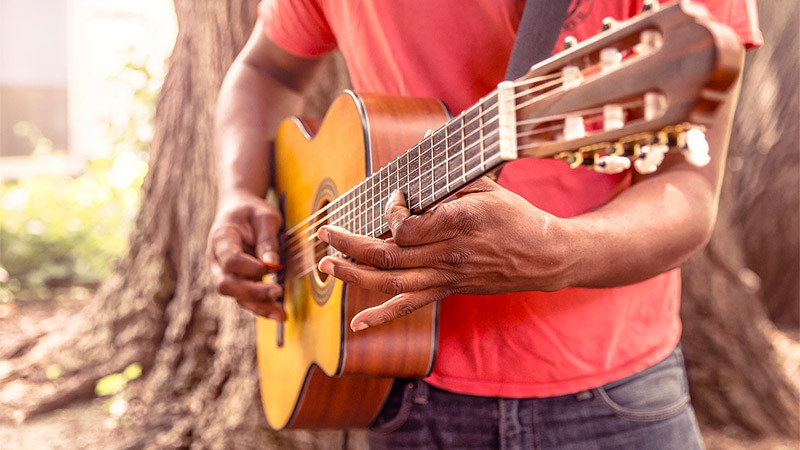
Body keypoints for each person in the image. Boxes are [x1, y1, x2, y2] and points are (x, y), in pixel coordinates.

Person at [207, 1, 762, 448]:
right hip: (394, 383)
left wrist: (561, 251)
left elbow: (689, 190)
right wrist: (238, 193)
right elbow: (265, 70)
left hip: (615, 395)